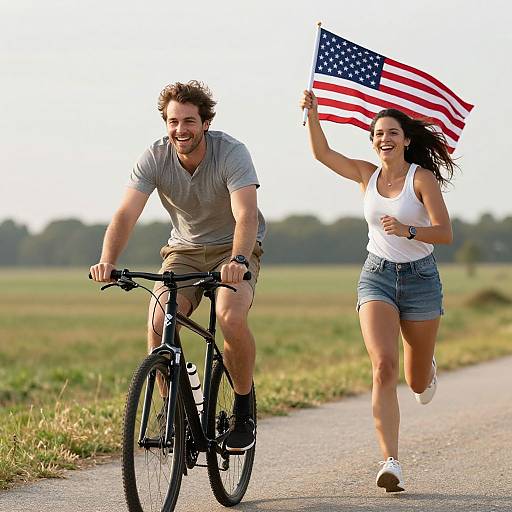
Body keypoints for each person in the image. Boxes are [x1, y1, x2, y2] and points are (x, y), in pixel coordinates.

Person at [90, 80, 266, 452]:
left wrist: (237, 259)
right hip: (183, 250)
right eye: (173, 121)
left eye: (189, 121)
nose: (180, 130)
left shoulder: (231, 152)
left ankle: (243, 405)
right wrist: (108, 260)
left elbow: (246, 214)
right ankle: (173, 410)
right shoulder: (154, 156)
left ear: (205, 123)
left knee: (230, 317)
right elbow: (125, 214)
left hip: (232, 248)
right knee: (158, 321)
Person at [300, 90, 455, 492]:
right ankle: (391, 461)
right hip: (377, 276)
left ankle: (426, 368)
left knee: (416, 382)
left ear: (405, 139)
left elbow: (445, 232)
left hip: (421, 280)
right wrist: (312, 114)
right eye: (378, 133)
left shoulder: (421, 179)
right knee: (383, 365)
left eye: (392, 132)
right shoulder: (366, 175)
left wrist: (408, 230)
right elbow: (323, 155)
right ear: (372, 141)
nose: (384, 138)